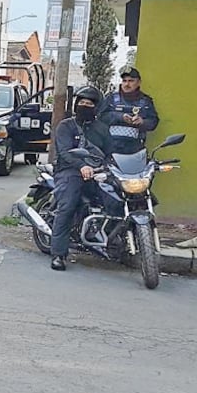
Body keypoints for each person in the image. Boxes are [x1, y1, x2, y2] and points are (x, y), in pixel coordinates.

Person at [49, 86, 106, 272]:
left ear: (96, 107)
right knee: (67, 206)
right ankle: (58, 254)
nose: (84, 106)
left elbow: (113, 152)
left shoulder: (102, 129)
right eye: (81, 103)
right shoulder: (66, 126)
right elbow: (64, 152)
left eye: (89, 104)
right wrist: (81, 166)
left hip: (98, 172)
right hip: (69, 171)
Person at [94, 67, 159, 156]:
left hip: (134, 149)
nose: (126, 84)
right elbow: (100, 117)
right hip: (110, 148)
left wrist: (142, 122)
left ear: (139, 82)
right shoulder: (111, 98)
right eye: (124, 81)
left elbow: (154, 122)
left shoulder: (146, 101)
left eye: (131, 81)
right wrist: (120, 117)